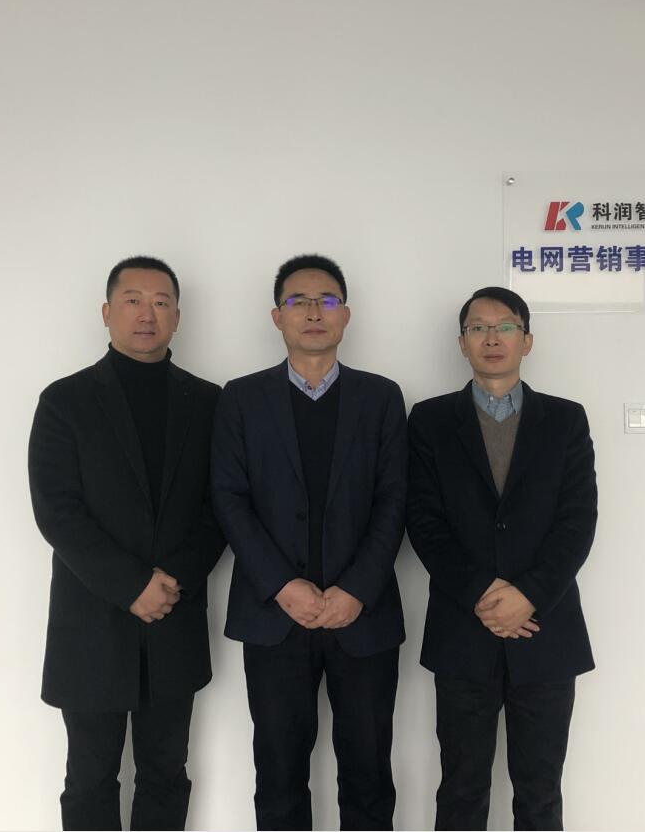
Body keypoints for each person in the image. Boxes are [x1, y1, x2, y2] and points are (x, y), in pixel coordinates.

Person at [28, 256, 224, 831]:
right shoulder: (65, 400)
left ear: (177, 316)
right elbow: (58, 511)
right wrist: (131, 585)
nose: (147, 314)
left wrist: (170, 582)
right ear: (107, 312)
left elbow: (221, 507)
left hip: (174, 616)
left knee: (166, 771)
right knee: (90, 776)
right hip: (92, 622)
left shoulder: (209, 403)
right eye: (133, 300)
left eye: (161, 302)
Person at [212, 254, 407, 830]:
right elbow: (229, 498)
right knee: (278, 778)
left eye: (326, 300)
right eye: (298, 302)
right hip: (274, 619)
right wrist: (282, 585)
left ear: (346, 314)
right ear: (277, 317)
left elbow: (395, 500)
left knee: (369, 777)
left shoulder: (381, 397)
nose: (313, 312)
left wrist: (357, 589)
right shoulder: (241, 398)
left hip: (363, 618)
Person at [406, 286, 597, 831]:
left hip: (546, 630)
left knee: (540, 792)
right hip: (463, 632)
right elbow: (424, 522)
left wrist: (528, 595)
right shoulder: (430, 420)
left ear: (527, 340)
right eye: (478, 328)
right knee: (461, 790)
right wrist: (485, 597)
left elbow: (577, 521)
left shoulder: (566, 420)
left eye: (506, 326)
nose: (492, 338)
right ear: (462, 343)